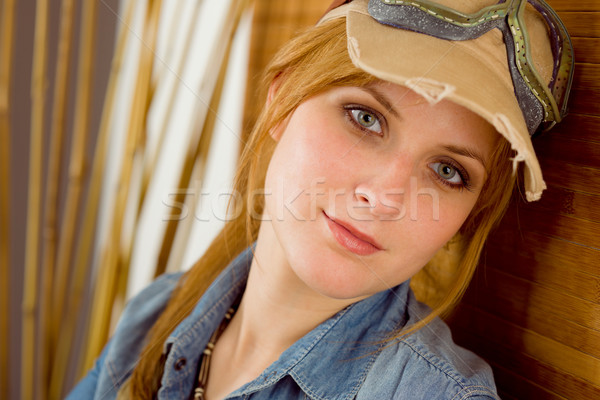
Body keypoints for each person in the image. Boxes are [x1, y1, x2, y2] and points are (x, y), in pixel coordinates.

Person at [68, 0, 574, 399]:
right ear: (281, 102)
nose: (382, 198)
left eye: (448, 171)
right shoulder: (154, 317)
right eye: (366, 117)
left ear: (469, 217)